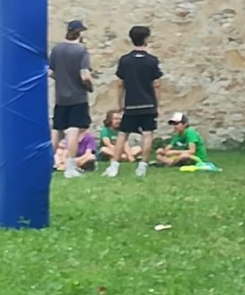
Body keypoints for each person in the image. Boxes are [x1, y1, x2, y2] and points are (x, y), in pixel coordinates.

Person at [104, 26, 163, 178]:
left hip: (131, 104)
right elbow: (156, 84)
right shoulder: (152, 61)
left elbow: (120, 84)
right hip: (148, 104)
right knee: (147, 134)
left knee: (123, 134)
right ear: (146, 39)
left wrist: (119, 103)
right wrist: (157, 104)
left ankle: (114, 167)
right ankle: (142, 167)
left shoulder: (125, 60)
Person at [49, 19, 94, 179]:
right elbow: (85, 75)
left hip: (60, 98)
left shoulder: (57, 49)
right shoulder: (81, 51)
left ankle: (48, 164)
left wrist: (62, 81)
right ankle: (70, 168)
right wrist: (89, 86)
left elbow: (51, 72)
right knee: (73, 130)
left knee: (57, 130)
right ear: (80, 33)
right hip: (77, 97)